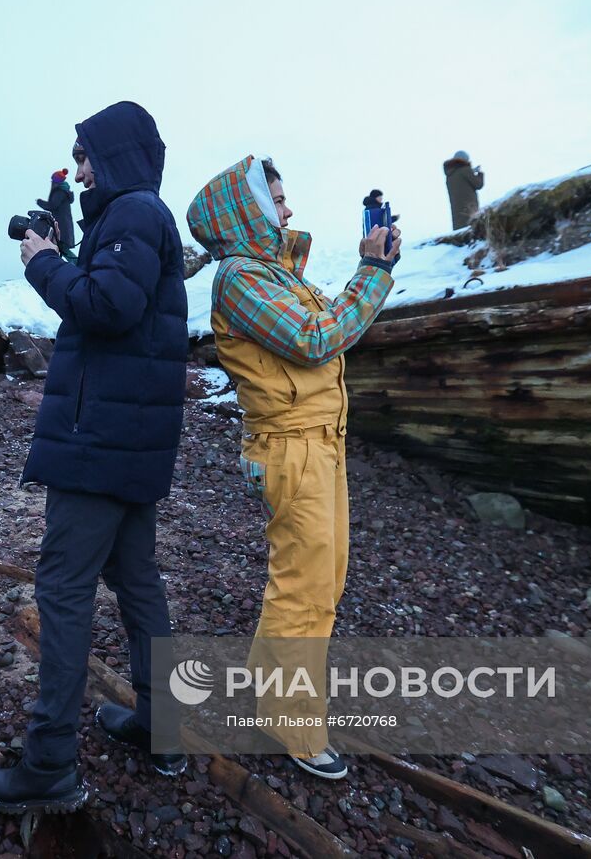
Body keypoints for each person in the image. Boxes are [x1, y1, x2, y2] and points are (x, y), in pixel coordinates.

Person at [0, 101, 189, 814]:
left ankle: (49, 763)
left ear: (119, 154)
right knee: (137, 582)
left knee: (63, 591)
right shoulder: (133, 217)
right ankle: (163, 726)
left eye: (86, 152)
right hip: (127, 443)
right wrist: (64, 252)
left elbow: (103, 307)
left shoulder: (133, 212)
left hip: (99, 446)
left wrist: (42, 266)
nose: (79, 166)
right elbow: (115, 302)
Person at [186, 155, 401, 780]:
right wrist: (373, 271)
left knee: (325, 578)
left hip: (321, 441)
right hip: (292, 447)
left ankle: (272, 687)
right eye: (277, 200)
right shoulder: (240, 281)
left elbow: (324, 324)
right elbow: (315, 338)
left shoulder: (274, 275)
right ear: (248, 210)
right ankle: (291, 721)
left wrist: (371, 271)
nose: (288, 211)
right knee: (304, 587)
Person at [36, 168, 79, 263]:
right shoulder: (63, 191)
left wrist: (39, 202)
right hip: (63, 225)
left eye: (53, 180)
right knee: (61, 249)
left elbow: (52, 205)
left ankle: (78, 264)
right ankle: (74, 265)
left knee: (62, 248)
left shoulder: (59, 192)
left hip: (61, 226)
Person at [444, 150, 484, 229]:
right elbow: (478, 185)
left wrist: (471, 171)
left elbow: (461, 179)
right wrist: (479, 173)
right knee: (473, 229)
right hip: (470, 207)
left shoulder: (449, 176)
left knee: (460, 230)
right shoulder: (466, 170)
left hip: (456, 211)